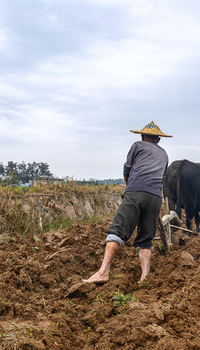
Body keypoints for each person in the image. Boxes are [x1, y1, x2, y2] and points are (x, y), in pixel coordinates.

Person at [83, 121, 171, 283]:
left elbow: (127, 171)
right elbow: (162, 177)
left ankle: (103, 272)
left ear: (142, 136)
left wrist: (130, 186)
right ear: (158, 140)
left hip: (135, 192)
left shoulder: (137, 146)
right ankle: (145, 277)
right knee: (145, 239)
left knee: (117, 231)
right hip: (155, 197)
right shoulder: (164, 154)